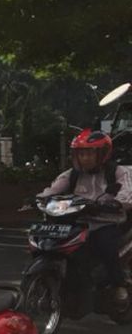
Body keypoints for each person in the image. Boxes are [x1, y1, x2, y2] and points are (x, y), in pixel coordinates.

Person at [38, 129, 131, 308]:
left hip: (106, 223)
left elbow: (127, 194)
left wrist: (116, 203)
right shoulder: (72, 174)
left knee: (106, 245)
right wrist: (38, 199)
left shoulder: (119, 173)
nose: (85, 158)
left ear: (102, 154)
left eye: (89, 153)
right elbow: (52, 190)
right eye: (81, 154)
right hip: (78, 223)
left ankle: (118, 284)